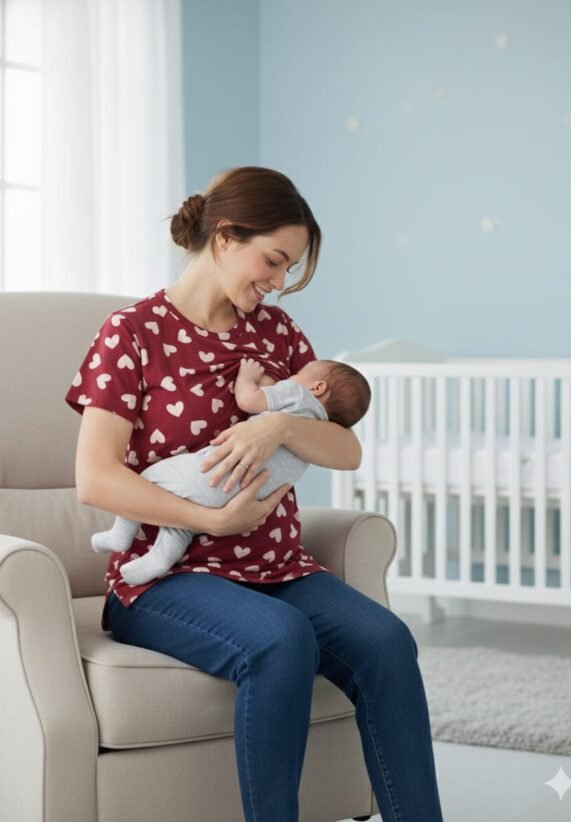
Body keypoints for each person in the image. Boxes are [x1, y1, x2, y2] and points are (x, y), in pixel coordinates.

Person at [66, 165, 443, 822]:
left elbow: (346, 447)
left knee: (386, 640)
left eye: (289, 270)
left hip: (276, 568)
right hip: (164, 579)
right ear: (225, 236)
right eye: (272, 261)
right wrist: (209, 522)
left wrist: (276, 424)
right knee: (280, 638)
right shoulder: (130, 335)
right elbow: (96, 478)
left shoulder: (278, 335)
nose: (277, 282)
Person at [90, 356, 372, 586]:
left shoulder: (297, 394)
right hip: (248, 496)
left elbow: (249, 401)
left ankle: (121, 534)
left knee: (149, 479)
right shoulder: (317, 434)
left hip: (214, 473)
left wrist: (248, 377)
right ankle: (159, 560)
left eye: (300, 372)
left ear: (318, 387)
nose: (292, 375)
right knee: (183, 524)